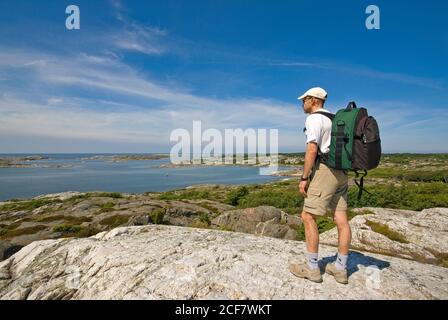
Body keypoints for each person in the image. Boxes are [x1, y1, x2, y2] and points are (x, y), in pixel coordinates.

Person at [289, 87, 351, 284]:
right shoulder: (334, 118)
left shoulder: (314, 119)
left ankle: (312, 268)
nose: (302, 104)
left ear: (313, 100)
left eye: (304, 100)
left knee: (308, 216)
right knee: (341, 219)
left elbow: (312, 149)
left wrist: (304, 177)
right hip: (341, 172)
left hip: (325, 171)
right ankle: (340, 268)